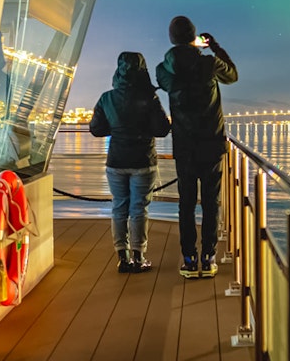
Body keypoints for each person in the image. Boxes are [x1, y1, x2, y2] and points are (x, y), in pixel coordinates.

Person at [156, 16, 238, 279]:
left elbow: (167, 81)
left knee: (187, 204)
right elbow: (233, 75)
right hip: (211, 145)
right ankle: (209, 257)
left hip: (184, 147)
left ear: (172, 38)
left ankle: (189, 259)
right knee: (211, 204)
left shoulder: (163, 70)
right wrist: (213, 46)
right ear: (194, 38)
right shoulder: (209, 63)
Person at [90, 52, 171, 273]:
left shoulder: (107, 98)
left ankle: (122, 258)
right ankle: (138, 256)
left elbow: (96, 129)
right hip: (143, 160)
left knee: (119, 207)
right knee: (138, 209)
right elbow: (162, 129)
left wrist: (117, 129)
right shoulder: (149, 98)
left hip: (116, 161)